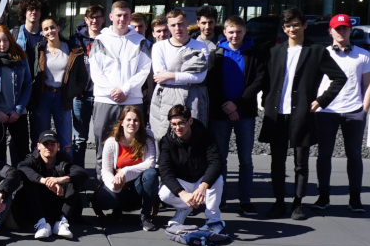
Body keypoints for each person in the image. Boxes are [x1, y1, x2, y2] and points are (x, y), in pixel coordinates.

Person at [260, 7, 346, 221]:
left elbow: (339, 78)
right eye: (288, 26)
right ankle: (279, 203)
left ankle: (298, 204)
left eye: (296, 25)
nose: (292, 29)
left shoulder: (316, 51)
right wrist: (265, 102)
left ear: (304, 25)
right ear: (283, 28)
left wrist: (321, 100)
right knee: (277, 162)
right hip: (277, 115)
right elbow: (267, 81)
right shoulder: (274, 52)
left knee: (301, 163)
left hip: (302, 114)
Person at [314, 14, 370, 214]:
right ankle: (323, 196)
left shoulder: (363, 55)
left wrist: (364, 110)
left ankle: (355, 198)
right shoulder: (322, 54)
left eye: (345, 28)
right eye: (337, 28)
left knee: (354, 155)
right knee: (324, 154)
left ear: (351, 30)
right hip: (326, 111)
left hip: (354, 111)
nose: (341, 32)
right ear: (330, 31)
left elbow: (369, 85)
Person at [206, 15, 266, 217]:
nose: (234, 35)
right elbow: (211, 83)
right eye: (231, 32)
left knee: (246, 159)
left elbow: (259, 81)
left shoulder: (254, 53)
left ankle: (245, 200)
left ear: (244, 32)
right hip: (220, 113)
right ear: (224, 32)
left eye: (238, 32)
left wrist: (237, 104)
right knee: (220, 158)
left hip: (245, 113)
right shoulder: (217, 54)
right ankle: (220, 198)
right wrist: (226, 105)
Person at [89, 1, 151, 176]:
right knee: (103, 144)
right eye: (118, 15)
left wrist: (125, 89)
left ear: (130, 17)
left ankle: (132, 183)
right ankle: (103, 183)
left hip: (132, 100)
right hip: (105, 100)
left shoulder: (140, 41)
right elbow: (96, 71)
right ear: (111, 17)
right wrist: (112, 91)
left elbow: (144, 70)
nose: (122, 19)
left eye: (125, 15)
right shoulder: (100, 40)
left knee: (134, 144)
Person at [158, 104, 225, 233]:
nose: (177, 128)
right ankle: (185, 208)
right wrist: (183, 194)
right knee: (164, 193)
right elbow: (165, 171)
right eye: (173, 124)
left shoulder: (206, 135)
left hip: (201, 180)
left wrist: (204, 185)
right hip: (183, 182)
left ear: (190, 121)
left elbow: (216, 162)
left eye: (181, 123)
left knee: (218, 179)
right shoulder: (166, 141)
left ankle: (213, 220)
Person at [92, 106, 159, 231]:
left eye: (136, 120)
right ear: (122, 122)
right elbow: (106, 170)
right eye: (128, 120)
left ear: (140, 123)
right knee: (104, 200)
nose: (132, 123)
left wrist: (125, 171)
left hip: (138, 189)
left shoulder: (147, 137)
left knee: (151, 174)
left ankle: (145, 216)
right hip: (120, 188)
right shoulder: (112, 141)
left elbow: (150, 163)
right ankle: (117, 210)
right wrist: (114, 185)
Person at [149, 9, 210, 141]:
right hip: (165, 97)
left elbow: (200, 77)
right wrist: (187, 76)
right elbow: (160, 77)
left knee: (193, 137)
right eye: (173, 25)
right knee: (164, 137)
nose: (177, 28)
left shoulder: (200, 46)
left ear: (187, 23)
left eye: (180, 24)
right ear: (168, 26)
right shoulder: (159, 47)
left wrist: (170, 76)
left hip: (193, 97)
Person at [17, 130, 89, 240]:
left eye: (52, 144)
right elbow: (21, 168)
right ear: (38, 146)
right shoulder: (32, 159)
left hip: (58, 206)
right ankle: (41, 223)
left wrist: (60, 180)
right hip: (37, 207)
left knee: (73, 181)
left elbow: (82, 173)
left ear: (58, 146)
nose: (49, 147)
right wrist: (45, 181)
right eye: (45, 144)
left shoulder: (63, 159)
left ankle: (61, 222)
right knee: (29, 182)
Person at [30, 17, 88, 151]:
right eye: (46, 29)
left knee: (65, 140)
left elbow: (82, 77)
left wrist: (71, 92)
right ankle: (44, 164)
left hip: (63, 97)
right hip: (44, 96)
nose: (50, 31)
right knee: (43, 137)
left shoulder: (72, 49)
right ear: (42, 32)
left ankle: (66, 164)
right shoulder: (39, 49)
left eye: (52, 27)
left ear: (58, 28)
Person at [0, 25, 32, 165]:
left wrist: (18, 110)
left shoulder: (21, 58)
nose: (2, 44)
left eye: (5, 40)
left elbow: (28, 84)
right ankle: (2, 177)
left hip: (17, 113)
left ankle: (23, 176)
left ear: (10, 40)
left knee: (23, 151)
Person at [69, 4, 104, 167]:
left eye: (98, 17)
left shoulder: (108, 38)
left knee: (101, 138)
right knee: (79, 139)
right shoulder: (76, 40)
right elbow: (69, 67)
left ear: (103, 19)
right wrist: (75, 89)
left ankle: (102, 174)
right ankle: (78, 174)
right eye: (91, 17)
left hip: (101, 97)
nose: (94, 21)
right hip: (80, 96)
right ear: (86, 20)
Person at [141, 15, 170, 113]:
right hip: (149, 103)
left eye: (165, 30)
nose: (162, 34)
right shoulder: (146, 53)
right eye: (158, 31)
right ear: (153, 33)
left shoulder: (177, 52)